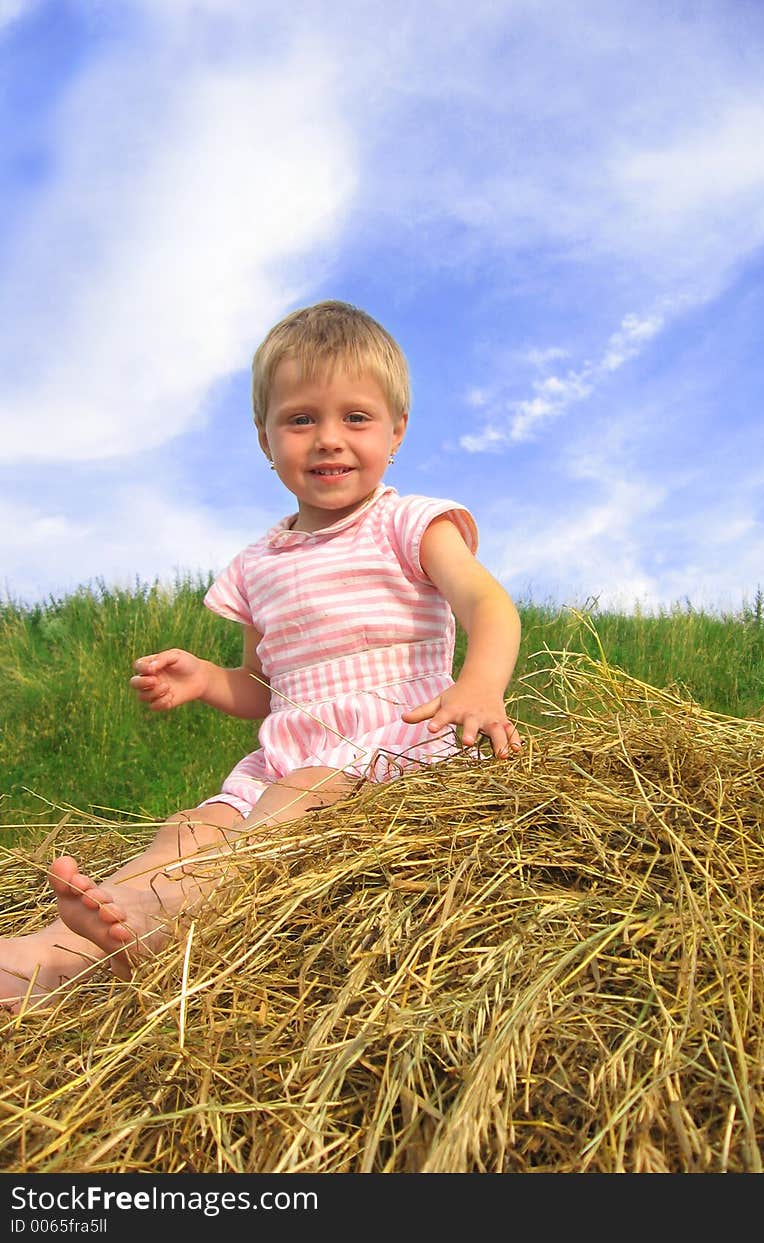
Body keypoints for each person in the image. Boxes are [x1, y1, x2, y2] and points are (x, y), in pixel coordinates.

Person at [0, 300, 523, 1012]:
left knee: (297, 796)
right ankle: (54, 952)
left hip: (394, 743)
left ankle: (163, 917)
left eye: (356, 418)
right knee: (192, 825)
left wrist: (479, 687)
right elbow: (265, 688)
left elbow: (489, 606)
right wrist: (209, 679)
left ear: (396, 432)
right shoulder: (257, 564)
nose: (328, 439)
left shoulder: (411, 524)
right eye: (301, 418)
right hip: (285, 752)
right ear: (265, 438)